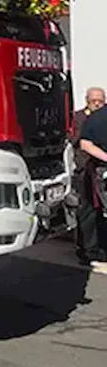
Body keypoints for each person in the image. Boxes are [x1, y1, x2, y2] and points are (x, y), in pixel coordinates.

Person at [72, 87, 107, 268]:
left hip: (97, 170)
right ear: (87, 100)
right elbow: (78, 142)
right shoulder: (79, 117)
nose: (97, 104)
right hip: (85, 169)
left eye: (100, 101)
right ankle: (85, 249)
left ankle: (99, 247)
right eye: (94, 100)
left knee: (99, 213)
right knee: (86, 211)